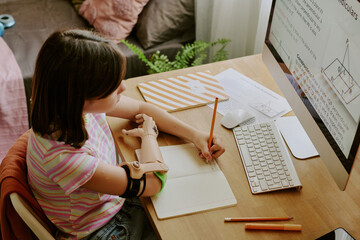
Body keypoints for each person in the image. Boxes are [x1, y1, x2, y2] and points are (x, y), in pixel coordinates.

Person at [27, 29, 225, 240]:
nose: (123, 87)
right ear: (82, 96)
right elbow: (153, 183)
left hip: (113, 202)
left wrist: (195, 134)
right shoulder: (64, 158)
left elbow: (141, 107)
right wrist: (149, 135)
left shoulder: (67, 108)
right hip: (106, 228)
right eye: (113, 87)